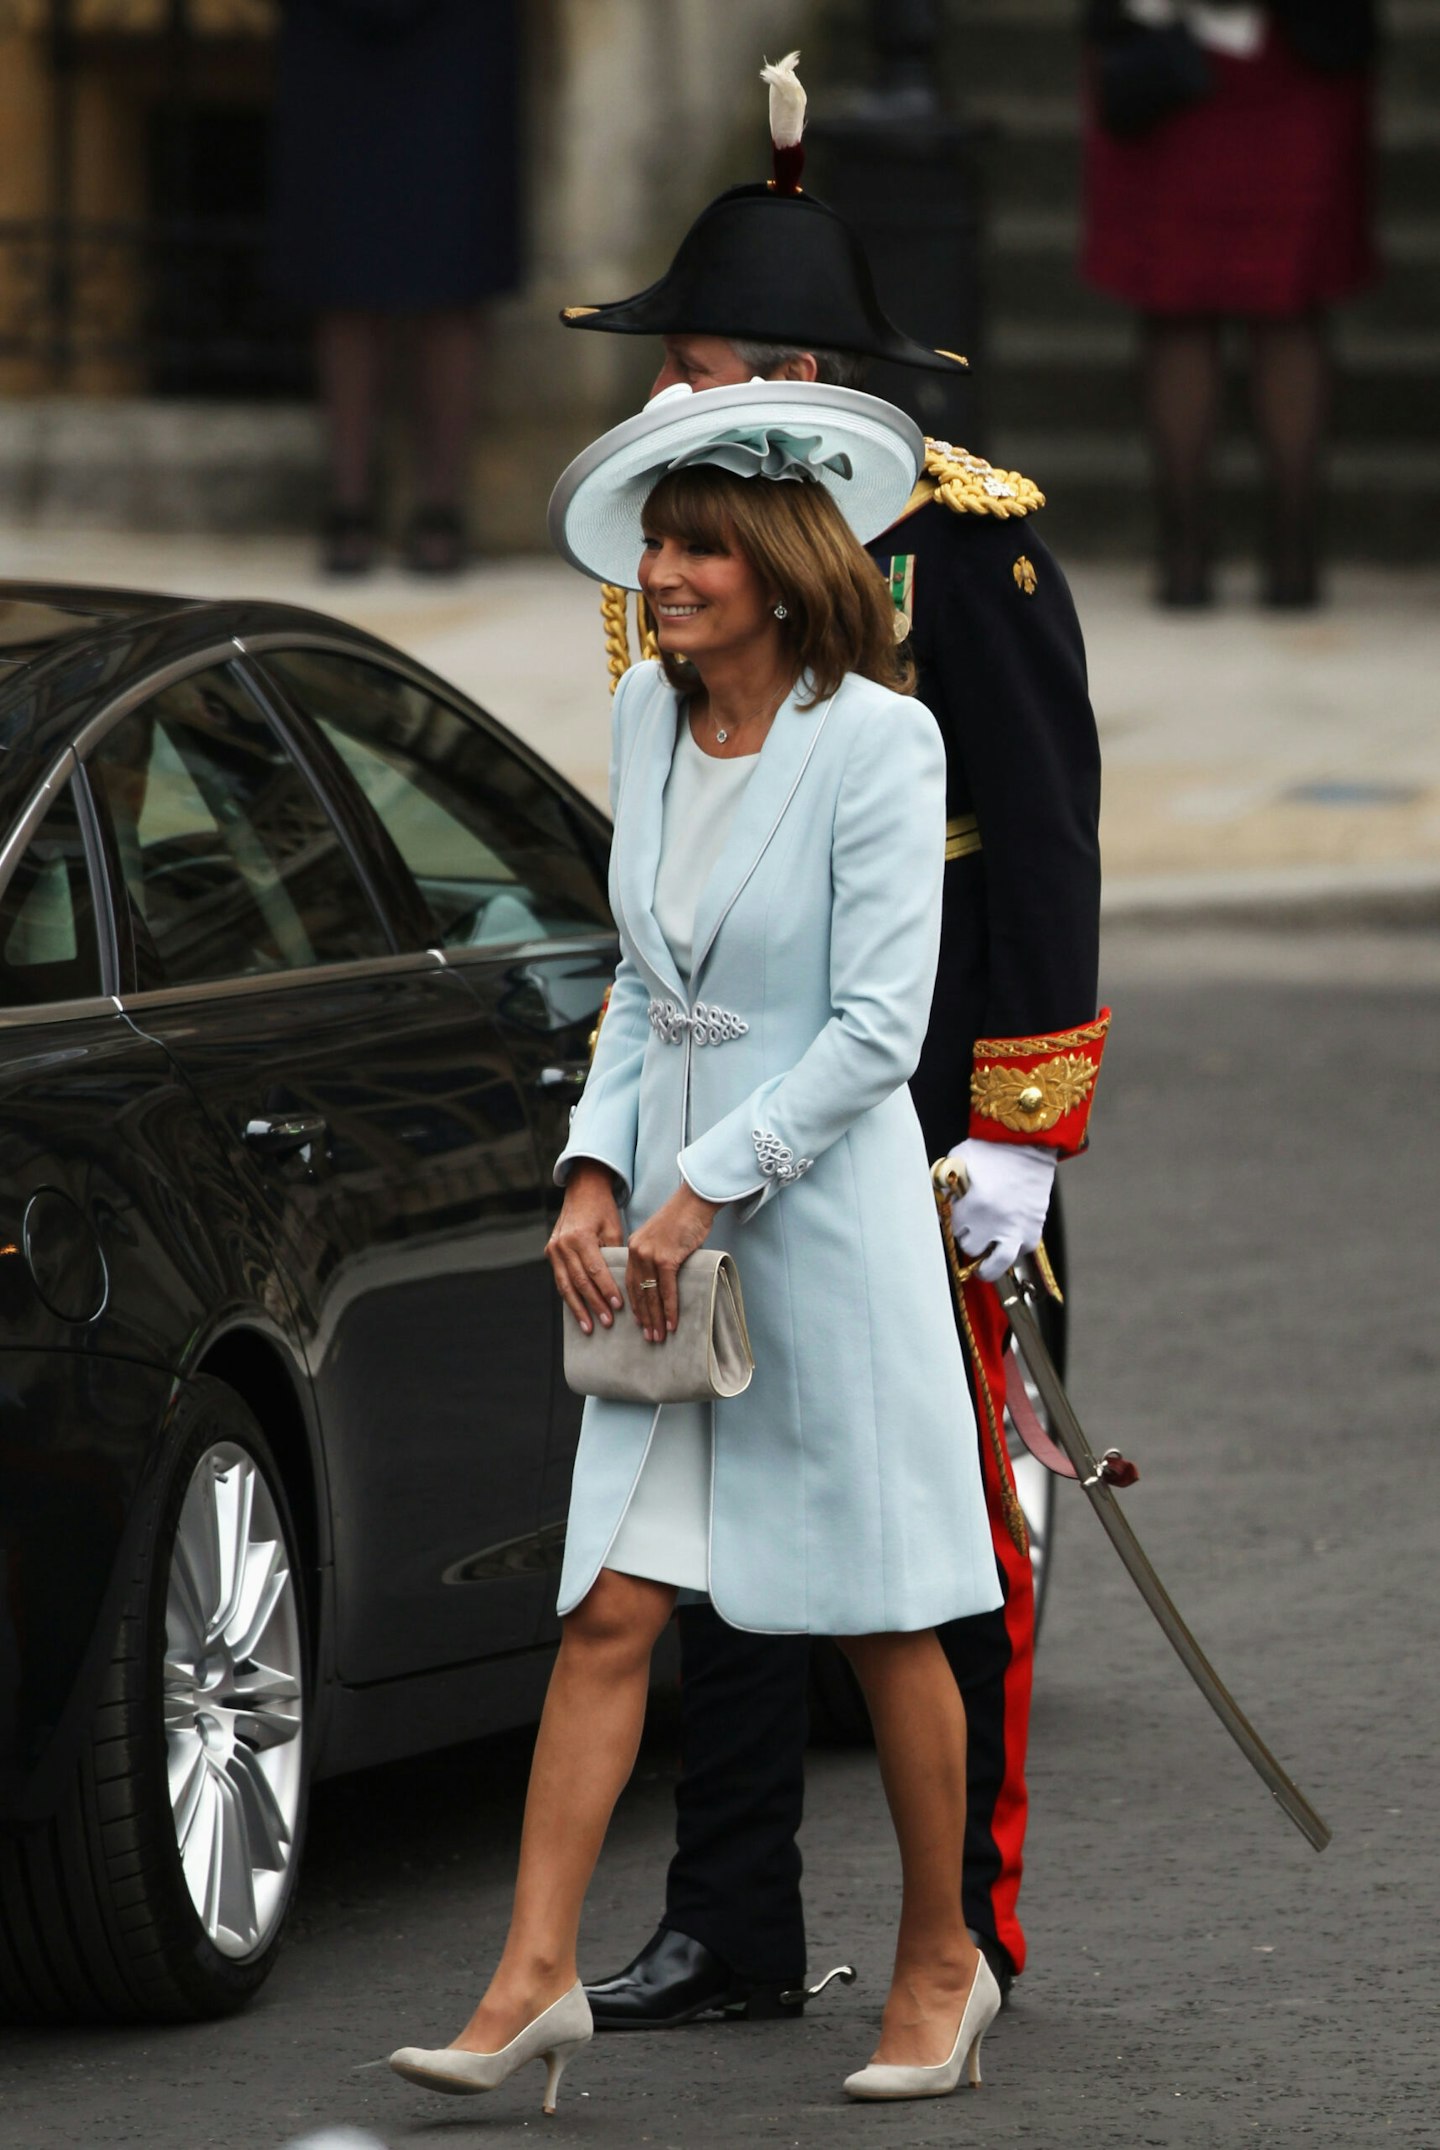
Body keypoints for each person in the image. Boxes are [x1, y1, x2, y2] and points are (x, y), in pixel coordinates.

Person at [388, 378, 1017, 2110]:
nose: (663, 576)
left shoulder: (882, 741)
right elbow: (638, 995)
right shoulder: (650, 728)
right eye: (659, 544)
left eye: (698, 550)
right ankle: (532, 1979)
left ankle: (939, 1963)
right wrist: (597, 1172)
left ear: (785, 569)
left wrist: (705, 1184)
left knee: (886, 1621)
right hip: (665, 1233)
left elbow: (880, 1029)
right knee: (607, 1608)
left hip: (829, 1235)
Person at [561, 55, 1106, 2031]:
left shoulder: (970, 546)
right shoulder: (683, 555)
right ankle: (734, 1922)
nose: (662, 400)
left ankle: (978, 1928)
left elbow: (1039, 850)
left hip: (927, 1123)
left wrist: (1024, 1131)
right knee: (713, 1532)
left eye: (693, 364)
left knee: (954, 1551)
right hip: (732, 1115)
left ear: (787, 376)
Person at [1081, 1, 1380, 607]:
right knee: (1178, 300)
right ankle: (1192, 551)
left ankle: (1279, 551)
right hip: (1166, 66)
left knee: (1287, 300)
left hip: (1295, 59)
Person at [268, 0, 522, 576]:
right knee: (341, 262)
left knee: (456, 257)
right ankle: (348, 502)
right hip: (335, 36)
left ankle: (441, 505)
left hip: (458, 33)